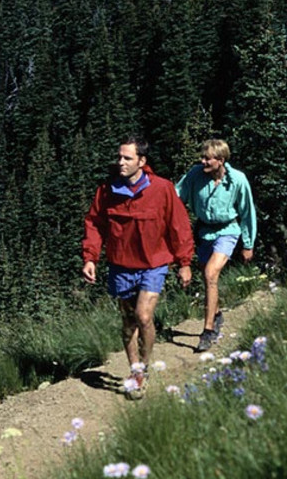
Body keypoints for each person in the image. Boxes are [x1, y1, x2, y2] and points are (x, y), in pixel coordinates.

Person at [82, 137, 193, 399]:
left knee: (144, 316)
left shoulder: (162, 189)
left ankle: (143, 368)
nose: (121, 162)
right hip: (121, 264)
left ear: (142, 162)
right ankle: (133, 369)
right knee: (129, 321)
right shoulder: (107, 191)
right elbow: (94, 224)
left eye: (127, 158)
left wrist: (184, 262)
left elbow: (178, 225)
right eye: (119, 157)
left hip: (154, 263)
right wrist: (90, 257)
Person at [176, 139, 256, 352]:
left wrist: (248, 244)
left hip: (228, 230)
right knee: (206, 275)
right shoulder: (195, 175)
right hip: (204, 231)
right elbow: (176, 197)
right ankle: (217, 314)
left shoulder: (238, 180)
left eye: (207, 158)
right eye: (202, 157)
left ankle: (208, 330)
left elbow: (248, 212)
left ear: (220, 160)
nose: (202, 161)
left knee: (211, 274)